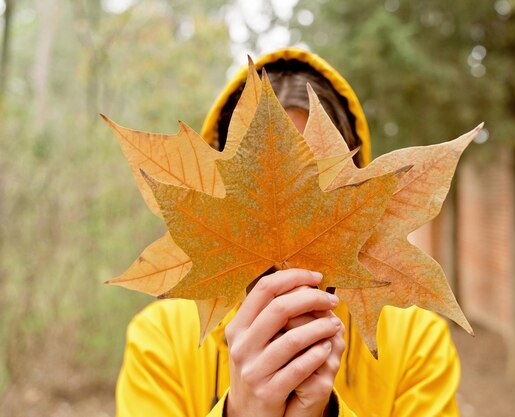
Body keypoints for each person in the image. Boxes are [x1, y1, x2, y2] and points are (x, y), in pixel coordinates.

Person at [115, 48, 461, 417]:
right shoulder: (161, 340)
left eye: (310, 189)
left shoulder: (415, 343)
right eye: (255, 188)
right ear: (215, 196)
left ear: (360, 201)